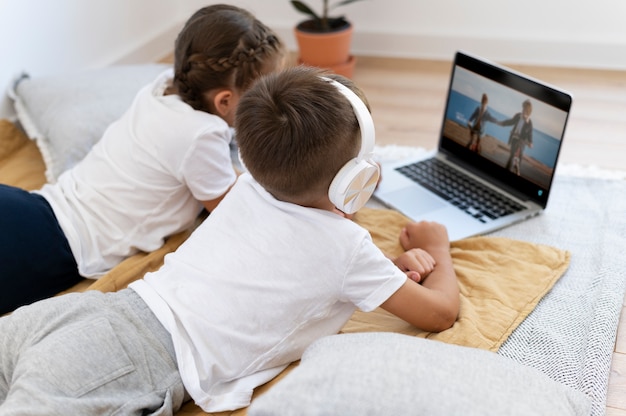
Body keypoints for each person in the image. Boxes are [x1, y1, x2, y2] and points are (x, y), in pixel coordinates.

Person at [0, 67, 460, 414]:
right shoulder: (351, 250)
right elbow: (439, 314)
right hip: (135, 359)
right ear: (356, 181)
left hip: (93, 312)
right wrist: (437, 248)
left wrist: (386, 272)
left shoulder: (244, 188)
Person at [0, 4, 286, 315]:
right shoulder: (200, 136)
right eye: (260, 99)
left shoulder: (161, 87)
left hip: (38, 208)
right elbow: (236, 209)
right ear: (224, 101)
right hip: (62, 244)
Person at [500, 99, 533, 175]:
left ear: (528, 111)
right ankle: (513, 167)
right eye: (523, 108)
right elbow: (511, 122)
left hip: (521, 141)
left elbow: (529, 134)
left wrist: (530, 142)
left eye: (524, 109)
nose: (522, 110)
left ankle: (516, 166)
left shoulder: (529, 123)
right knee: (512, 156)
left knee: (517, 155)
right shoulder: (518, 116)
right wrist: (503, 123)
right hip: (514, 138)